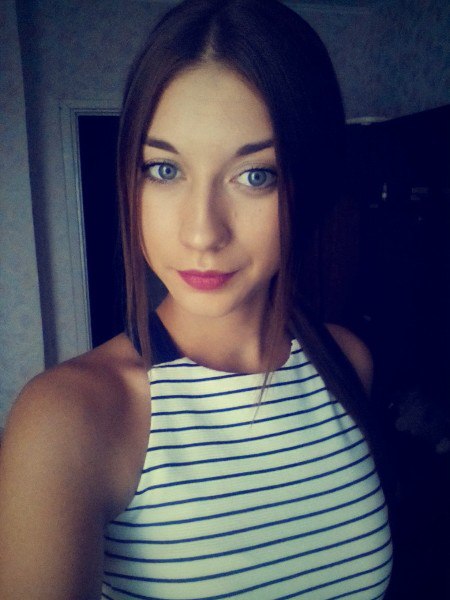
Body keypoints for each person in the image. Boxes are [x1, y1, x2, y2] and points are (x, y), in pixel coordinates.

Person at [0, 0, 393, 598]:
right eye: (164, 170)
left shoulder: (347, 361)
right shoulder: (69, 419)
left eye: (255, 175)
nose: (202, 232)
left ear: (308, 185)